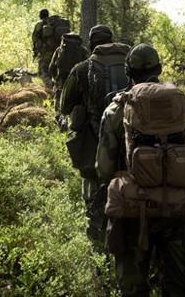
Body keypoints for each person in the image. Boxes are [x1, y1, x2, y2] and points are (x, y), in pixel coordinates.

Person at [95, 43, 185, 297]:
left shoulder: (116, 110)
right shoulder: (184, 106)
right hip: (177, 205)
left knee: (133, 287)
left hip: (132, 208)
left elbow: (103, 167)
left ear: (128, 72)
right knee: (179, 283)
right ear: (159, 69)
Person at [59, 24, 131, 251]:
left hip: (95, 144)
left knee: (94, 197)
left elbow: (65, 105)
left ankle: (98, 248)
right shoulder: (133, 65)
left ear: (91, 45)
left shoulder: (81, 69)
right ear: (112, 40)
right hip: (132, 143)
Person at [48, 32, 89, 130]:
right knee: (75, 103)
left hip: (61, 81)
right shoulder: (83, 51)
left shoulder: (59, 50)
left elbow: (51, 68)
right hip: (77, 81)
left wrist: (56, 79)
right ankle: (72, 124)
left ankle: (61, 121)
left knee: (60, 103)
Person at [31, 8, 56, 89]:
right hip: (58, 51)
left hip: (46, 52)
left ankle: (51, 87)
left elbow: (35, 38)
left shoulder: (40, 24)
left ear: (40, 16)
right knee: (55, 72)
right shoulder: (54, 23)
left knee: (43, 72)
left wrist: (36, 50)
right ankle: (56, 88)